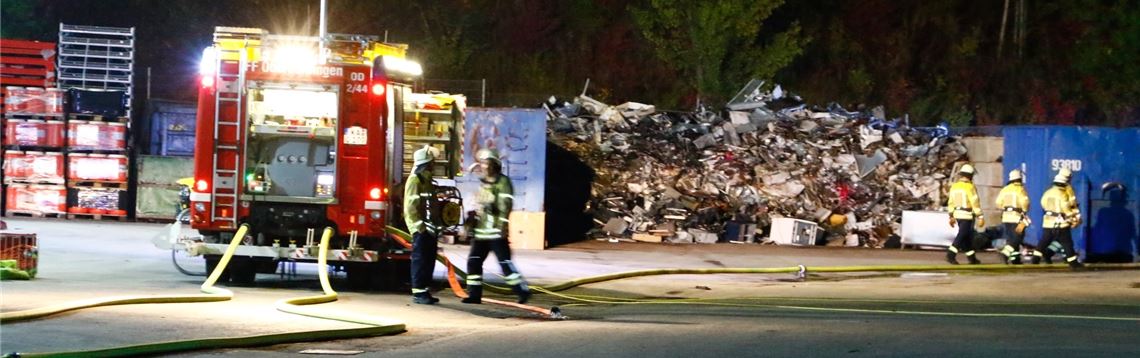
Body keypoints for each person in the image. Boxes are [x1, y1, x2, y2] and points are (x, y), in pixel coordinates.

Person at [462, 148, 532, 304]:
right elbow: (480, 206)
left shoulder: (503, 182)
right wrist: (470, 223)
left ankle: (522, 291)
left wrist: (502, 227)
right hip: (481, 233)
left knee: (505, 263)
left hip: (495, 232)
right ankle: (474, 295)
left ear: (494, 165)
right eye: (482, 163)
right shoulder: (484, 183)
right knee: (473, 262)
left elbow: (505, 207)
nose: (484, 166)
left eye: (486, 163)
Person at [404, 145, 442, 304]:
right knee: (420, 260)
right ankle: (419, 293)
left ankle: (424, 291)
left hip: (430, 229)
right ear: (426, 163)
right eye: (432, 162)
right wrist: (420, 228)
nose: (434, 165)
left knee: (428, 260)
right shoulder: (415, 180)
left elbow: (430, 205)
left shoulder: (427, 180)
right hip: (421, 229)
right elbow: (411, 208)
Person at [1032, 170, 1084, 268]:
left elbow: (1043, 204)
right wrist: (1074, 219)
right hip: (1061, 224)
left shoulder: (1047, 192)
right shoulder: (1063, 193)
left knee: (1044, 242)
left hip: (1047, 223)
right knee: (1067, 243)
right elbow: (1066, 208)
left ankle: (1035, 260)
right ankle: (1073, 263)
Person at [946, 164, 983, 264]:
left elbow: (951, 202)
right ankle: (950, 254)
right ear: (970, 175)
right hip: (967, 215)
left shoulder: (955, 186)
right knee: (962, 235)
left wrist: (951, 216)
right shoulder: (970, 187)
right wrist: (980, 216)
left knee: (966, 236)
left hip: (957, 214)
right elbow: (975, 202)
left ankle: (972, 258)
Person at [996, 169, 1030, 264]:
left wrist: (1006, 208)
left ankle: (1015, 259)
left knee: (1011, 238)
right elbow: (1025, 202)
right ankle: (1005, 254)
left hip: (1006, 217)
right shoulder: (1020, 189)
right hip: (1016, 217)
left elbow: (998, 203)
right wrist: (1024, 211)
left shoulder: (1005, 189)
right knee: (1018, 238)